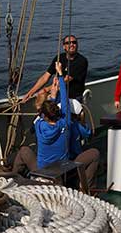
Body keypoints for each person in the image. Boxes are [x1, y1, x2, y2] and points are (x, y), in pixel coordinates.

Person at [13, 62, 99, 190]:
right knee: (95, 153)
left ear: (43, 114)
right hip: (61, 171)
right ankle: (86, 188)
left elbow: (44, 112)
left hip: (41, 171)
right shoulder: (66, 123)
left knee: (24, 151)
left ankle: (14, 180)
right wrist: (60, 75)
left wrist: (52, 95)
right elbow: (65, 102)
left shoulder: (39, 125)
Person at [22, 35, 88, 102]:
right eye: (68, 43)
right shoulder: (59, 58)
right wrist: (30, 93)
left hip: (74, 97)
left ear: (77, 45)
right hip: (59, 94)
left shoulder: (82, 61)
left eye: (74, 42)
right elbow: (46, 76)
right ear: (64, 46)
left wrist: (46, 90)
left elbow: (66, 80)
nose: (71, 45)